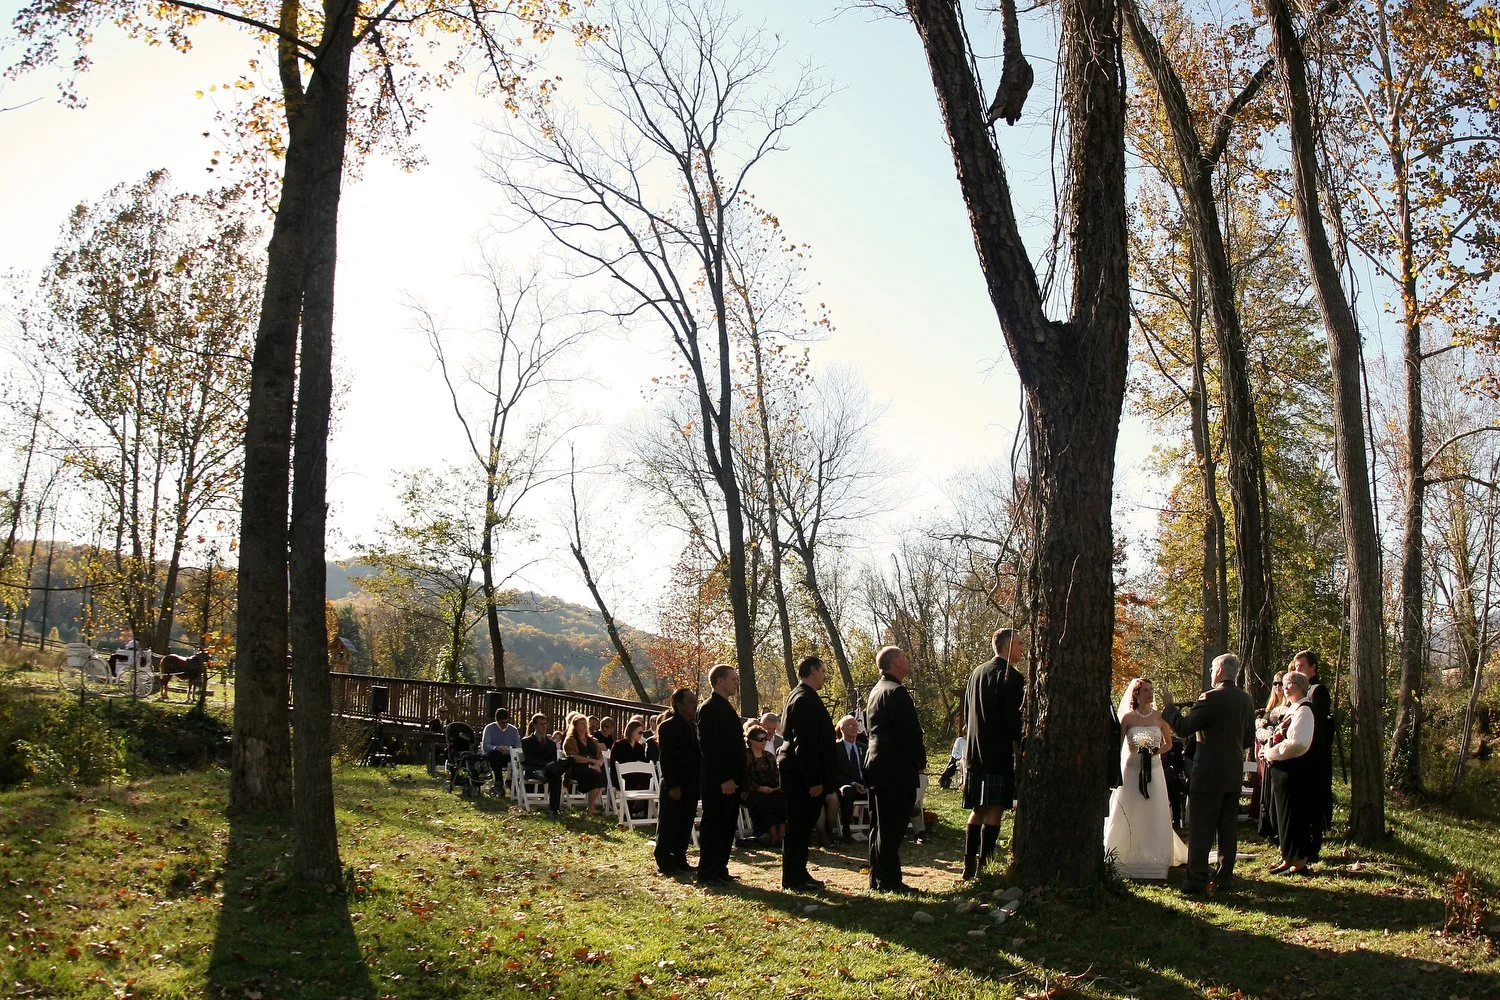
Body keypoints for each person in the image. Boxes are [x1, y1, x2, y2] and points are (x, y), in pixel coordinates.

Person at [1161, 653, 1256, 894]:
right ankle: (1224, 879)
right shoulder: (1246, 699)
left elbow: (1183, 727)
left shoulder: (1210, 698)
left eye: (1212, 669)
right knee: (1227, 831)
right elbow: (1248, 738)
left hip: (1208, 774)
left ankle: (1196, 881)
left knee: (1202, 830)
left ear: (1220, 671)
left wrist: (1170, 708)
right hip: (1232, 771)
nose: (1210, 673)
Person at [1103, 677, 1189, 879]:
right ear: (1136, 695)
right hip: (1132, 769)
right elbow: (1118, 743)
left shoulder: (1160, 718)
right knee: (1130, 809)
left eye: (1151, 690)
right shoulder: (1128, 719)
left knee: (1153, 810)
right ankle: (1124, 853)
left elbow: (1169, 743)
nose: (1150, 694)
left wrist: (1154, 751)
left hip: (1154, 769)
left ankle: (1155, 855)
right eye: (1145, 691)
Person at [961, 628, 1027, 879]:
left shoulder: (977, 672)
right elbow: (1013, 719)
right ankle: (983, 867)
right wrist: (1022, 743)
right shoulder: (1012, 676)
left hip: (975, 751)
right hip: (998, 752)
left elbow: (967, 712)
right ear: (1007, 647)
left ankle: (968, 867)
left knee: (978, 809)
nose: (1022, 648)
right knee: (995, 809)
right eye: (1019, 644)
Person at [864, 645, 926, 894]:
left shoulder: (877, 690)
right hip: (894, 767)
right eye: (905, 657)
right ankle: (889, 881)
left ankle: (877, 878)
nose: (908, 661)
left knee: (879, 825)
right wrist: (919, 761)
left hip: (877, 764)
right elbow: (909, 733)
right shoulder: (897, 692)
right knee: (892, 826)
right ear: (895, 661)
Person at [778, 655, 837, 891]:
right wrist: (813, 780)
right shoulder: (804, 699)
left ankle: (799, 873)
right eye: (823, 671)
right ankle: (793, 877)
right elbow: (804, 744)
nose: (825, 676)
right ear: (813, 670)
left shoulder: (800, 694)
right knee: (799, 827)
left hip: (800, 771)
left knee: (802, 827)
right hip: (802, 775)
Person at [1262, 670, 1319, 874]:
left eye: (1291, 683)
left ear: (1302, 687)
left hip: (1295, 772)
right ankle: (1287, 857)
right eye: (1284, 683)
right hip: (1282, 771)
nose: (1285, 687)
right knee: (1282, 816)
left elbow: (1297, 744)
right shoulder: (1290, 710)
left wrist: (1271, 753)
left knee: (1295, 816)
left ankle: (1300, 862)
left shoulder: (1305, 711)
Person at [697, 664, 747, 886]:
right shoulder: (709, 708)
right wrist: (724, 778)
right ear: (719, 681)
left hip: (732, 779)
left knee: (727, 825)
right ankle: (708, 872)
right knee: (714, 824)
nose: (737, 682)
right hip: (719, 780)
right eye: (733, 679)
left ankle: (720, 868)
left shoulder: (726, 707)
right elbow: (711, 748)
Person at [1292, 649, 1335, 860]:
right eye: (1295, 666)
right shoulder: (1299, 692)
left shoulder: (1317, 691)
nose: (1296, 669)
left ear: (1313, 668)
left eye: (1301, 666)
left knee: (1314, 804)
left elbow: (1317, 729)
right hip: (1300, 758)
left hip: (1315, 759)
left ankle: (1313, 848)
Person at [654, 688, 701, 876]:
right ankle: (664, 859)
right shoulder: (668, 726)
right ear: (679, 704)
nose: (694, 705)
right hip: (675, 782)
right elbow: (667, 758)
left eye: (695, 701)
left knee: (685, 821)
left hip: (691, 782)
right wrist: (673, 785)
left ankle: (680, 857)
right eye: (690, 701)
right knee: (669, 822)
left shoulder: (693, 725)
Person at [1255, 671, 1291, 840]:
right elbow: (1260, 733)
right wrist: (1261, 729)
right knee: (1266, 792)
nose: (1277, 687)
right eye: (1275, 683)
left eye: (1280, 683)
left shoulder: (1289, 709)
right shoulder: (1270, 709)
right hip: (1266, 754)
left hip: (1279, 756)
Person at [743, 722, 787, 846]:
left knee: (783, 798)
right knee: (765, 801)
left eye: (765, 739)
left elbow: (775, 775)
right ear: (751, 741)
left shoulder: (769, 756)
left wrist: (776, 788)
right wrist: (760, 788)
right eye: (760, 739)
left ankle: (782, 835)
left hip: (770, 789)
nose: (763, 742)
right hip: (751, 791)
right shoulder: (744, 756)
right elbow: (744, 779)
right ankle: (773, 836)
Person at [521, 713, 572, 815]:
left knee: (564, 765)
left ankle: (554, 809)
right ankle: (542, 771)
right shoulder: (526, 741)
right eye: (541, 724)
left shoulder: (551, 744)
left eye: (545, 724)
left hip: (548, 770)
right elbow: (529, 759)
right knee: (554, 772)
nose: (544, 726)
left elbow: (552, 760)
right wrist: (545, 765)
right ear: (535, 725)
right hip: (533, 770)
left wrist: (549, 766)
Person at [832, 715, 868, 843]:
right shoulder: (835, 749)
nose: (854, 728)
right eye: (849, 725)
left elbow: (868, 769)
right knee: (847, 790)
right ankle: (846, 832)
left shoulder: (863, 748)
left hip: (864, 786)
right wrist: (852, 783)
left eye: (855, 725)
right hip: (846, 785)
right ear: (841, 728)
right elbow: (834, 773)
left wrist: (866, 784)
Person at [562, 712, 607, 814]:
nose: (584, 726)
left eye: (585, 723)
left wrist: (598, 763)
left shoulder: (593, 740)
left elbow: (600, 755)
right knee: (595, 775)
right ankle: (591, 807)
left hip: (594, 767)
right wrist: (590, 761)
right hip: (577, 768)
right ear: (575, 726)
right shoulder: (570, 740)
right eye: (581, 724)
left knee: (601, 775)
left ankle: (591, 806)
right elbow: (573, 757)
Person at [612, 718, 653, 818]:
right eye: (639, 732)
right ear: (631, 731)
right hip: (622, 778)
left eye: (642, 733)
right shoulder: (619, 745)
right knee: (634, 781)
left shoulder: (639, 747)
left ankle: (646, 814)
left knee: (648, 780)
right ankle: (628, 813)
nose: (641, 735)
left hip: (636, 776)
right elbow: (616, 764)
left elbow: (644, 762)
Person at [481, 707, 522, 787]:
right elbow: (486, 745)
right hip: (494, 756)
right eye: (502, 723)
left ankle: (512, 782)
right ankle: (499, 782)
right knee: (495, 755)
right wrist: (496, 748)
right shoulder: (489, 728)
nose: (505, 724)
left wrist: (510, 750)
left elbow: (518, 746)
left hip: (508, 755)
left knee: (517, 757)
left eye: (506, 722)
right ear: (497, 721)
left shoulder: (513, 730)